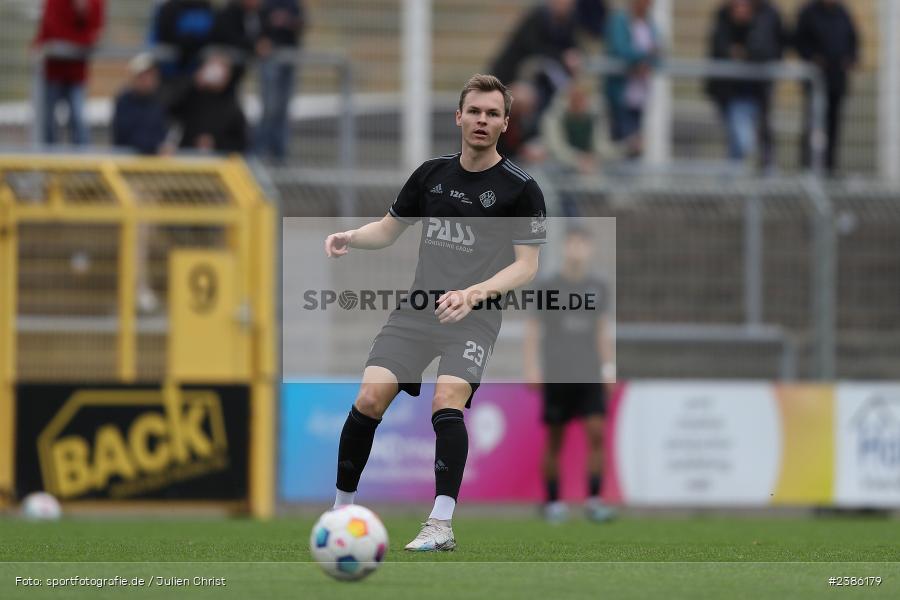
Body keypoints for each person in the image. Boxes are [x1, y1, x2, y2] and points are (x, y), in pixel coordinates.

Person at [323, 74, 547, 552]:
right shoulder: (430, 175)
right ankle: (339, 516)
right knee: (368, 398)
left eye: (492, 113)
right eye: (475, 111)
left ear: (505, 123)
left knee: (447, 399)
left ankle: (440, 524)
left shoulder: (520, 189)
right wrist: (350, 237)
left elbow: (526, 267)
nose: (482, 120)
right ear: (459, 117)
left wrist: (474, 293)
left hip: (475, 316)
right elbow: (388, 230)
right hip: (417, 312)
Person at [524, 226, 615, 522]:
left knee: (597, 433)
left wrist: (608, 368)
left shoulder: (598, 286)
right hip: (557, 371)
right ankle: (552, 502)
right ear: (565, 247)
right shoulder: (548, 285)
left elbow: (601, 328)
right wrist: (532, 367)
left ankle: (594, 500)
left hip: (588, 370)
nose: (577, 249)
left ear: (589, 249)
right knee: (555, 438)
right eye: (572, 243)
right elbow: (534, 328)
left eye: (583, 244)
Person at [705, 0, 784, 163]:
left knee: (748, 144)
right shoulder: (723, 19)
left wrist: (745, 53)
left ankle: (735, 184)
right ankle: (732, 184)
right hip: (732, 95)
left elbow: (767, 50)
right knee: (742, 143)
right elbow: (718, 49)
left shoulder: (762, 20)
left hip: (756, 93)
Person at [794, 0, 858, 174]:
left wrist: (850, 59)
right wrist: (813, 58)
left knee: (834, 126)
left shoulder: (842, 13)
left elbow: (853, 40)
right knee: (813, 125)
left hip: (837, 81)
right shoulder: (809, 12)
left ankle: (830, 168)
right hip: (816, 82)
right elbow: (799, 41)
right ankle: (808, 167)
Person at [32, 0, 105, 145]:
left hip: (77, 74)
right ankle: (48, 163)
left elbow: (94, 36)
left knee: (78, 120)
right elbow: (53, 32)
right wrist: (80, 43)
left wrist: (84, 13)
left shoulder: (95, 3)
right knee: (48, 122)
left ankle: (82, 164)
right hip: (52, 72)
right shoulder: (54, 3)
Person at [490, 0, 581, 114]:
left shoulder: (568, 21)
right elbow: (534, 48)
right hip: (511, 77)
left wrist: (574, 55)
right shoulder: (538, 18)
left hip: (540, 78)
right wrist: (563, 57)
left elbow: (573, 46)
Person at [603, 0, 660, 159]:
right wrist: (642, 58)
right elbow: (620, 50)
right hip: (620, 95)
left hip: (639, 96)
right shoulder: (621, 20)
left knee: (636, 147)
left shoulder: (649, 23)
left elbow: (657, 53)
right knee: (621, 146)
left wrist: (646, 60)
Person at [255, 0, 306, 160]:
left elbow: (301, 23)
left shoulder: (293, 4)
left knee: (283, 109)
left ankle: (280, 155)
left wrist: (288, 21)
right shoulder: (267, 4)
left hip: (289, 57)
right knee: (270, 107)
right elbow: (259, 24)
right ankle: (259, 152)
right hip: (271, 57)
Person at [167, 53, 249, 153]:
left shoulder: (232, 106)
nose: (215, 74)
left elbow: (241, 143)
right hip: (187, 154)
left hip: (218, 159)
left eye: (220, 70)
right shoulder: (192, 97)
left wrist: (215, 142)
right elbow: (170, 109)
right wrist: (194, 83)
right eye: (212, 68)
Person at [112, 53, 171, 156]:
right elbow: (129, 136)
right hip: (128, 163)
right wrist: (156, 146)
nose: (148, 80)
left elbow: (162, 132)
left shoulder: (160, 101)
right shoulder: (124, 102)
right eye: (143, 76)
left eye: (151, 75)